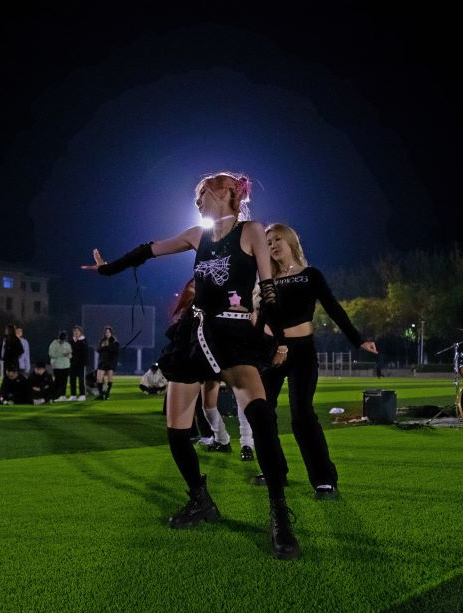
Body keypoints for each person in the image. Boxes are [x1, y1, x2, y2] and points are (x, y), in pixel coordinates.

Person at [83, 171, 299, 559]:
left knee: (262, 418)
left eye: (202, 193)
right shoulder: (197, 235)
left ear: (223, 192)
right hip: (194, 334)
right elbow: (150, 250)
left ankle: (280, 515)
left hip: (234, 335)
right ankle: (200, 499)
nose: (197, 200)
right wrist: (108, 268)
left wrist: (279, 338)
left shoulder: (251, 231)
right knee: (176, 429)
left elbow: (268, 290)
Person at [257, 223, 378, 500]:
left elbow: (333, 308)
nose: (273, 245)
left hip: (302, 351)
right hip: (271, 352)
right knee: (262, 412)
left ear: (290, 241)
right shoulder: (266, 280)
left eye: (277, 239)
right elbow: (263, 317)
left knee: (302, 414)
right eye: (268, 242)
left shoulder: (310, 275)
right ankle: (275, 471)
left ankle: (324, 480)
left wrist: (358, 340)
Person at [95, 325, 120, 399]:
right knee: (99, 379)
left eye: (109, 332)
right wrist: (102, 346)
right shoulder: (102, 340)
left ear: (111, 333)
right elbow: (98, 350)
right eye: (106, 332)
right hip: (102, 361)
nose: (107, 333)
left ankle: (107, 393)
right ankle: (101, 394)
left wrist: (107, 346)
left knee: (110, 378)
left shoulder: (115, 341)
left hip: (110, 362)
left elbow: (115, 351)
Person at [48, 331, 72, 400]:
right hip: (57, 366)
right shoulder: (54, 344)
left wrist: (68, 355)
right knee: (58, 381)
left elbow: (70, 355)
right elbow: (51, 354)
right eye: (62, 339)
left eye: (64, 340)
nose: (63, 341)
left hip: (66, 366)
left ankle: (63, 395)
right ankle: (55, 396)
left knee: (64, 382)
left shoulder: (67, 344)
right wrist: (61, 354)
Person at [68, 326, 88, 400]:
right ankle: (73, 395)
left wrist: (84, 363)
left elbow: (85, 353)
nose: (76, 332)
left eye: (77, 331)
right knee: (72, 379)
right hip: (72, 363)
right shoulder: (71, 341)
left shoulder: (83, 341)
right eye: (74, 331)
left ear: (80, 332)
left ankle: (82, 395)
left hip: (81, 364)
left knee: (81, 380)